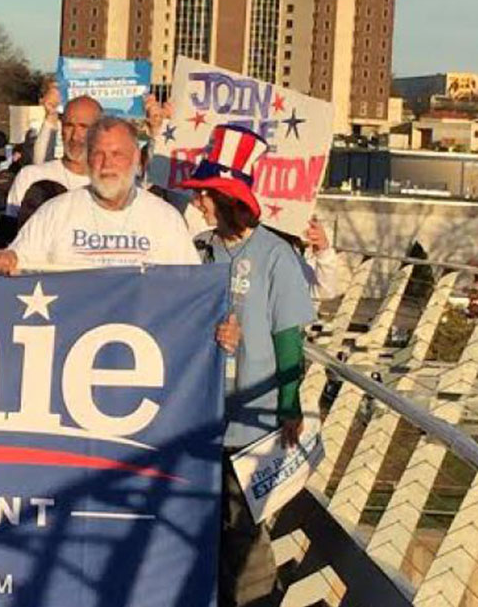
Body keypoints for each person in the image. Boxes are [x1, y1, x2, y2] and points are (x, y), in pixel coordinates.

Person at [179, 124, 315, 607]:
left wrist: (288, 405)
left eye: (205, 195)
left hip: (251, 421)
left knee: (246, 530)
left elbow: (288, 337)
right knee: (201, 527)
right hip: (202, 416)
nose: (198, 203)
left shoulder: (277, 255)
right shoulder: (200, 249)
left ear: (226, 196)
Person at [0, 117, 200, 272]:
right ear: (88, 158)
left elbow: (193, 289)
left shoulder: (165, 219)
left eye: (117, 154)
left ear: (136, 158)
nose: (107, 164)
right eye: (99, 154)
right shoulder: (55, 212)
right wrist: (6, 259)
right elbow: (18, 264)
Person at [4, 96, 103, 220]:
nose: (75, 136)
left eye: (84, 127)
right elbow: (9, 231)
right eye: (69, 126)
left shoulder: (112, 183)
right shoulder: (31, 177)